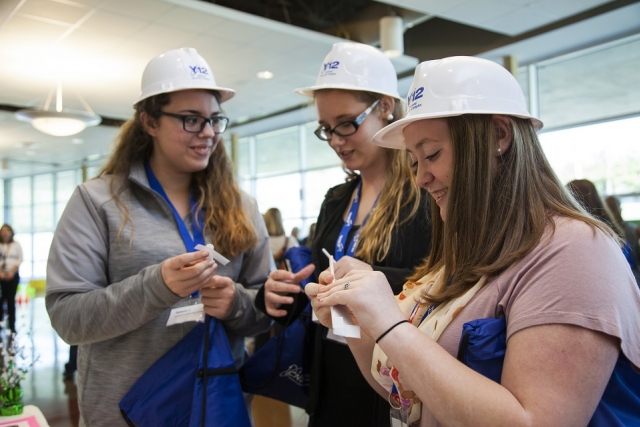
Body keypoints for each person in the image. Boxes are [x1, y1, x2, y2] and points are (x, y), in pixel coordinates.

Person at [307, 56, 640, 426]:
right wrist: (350, 318)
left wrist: (389, 323)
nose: (421, 179)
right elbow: (404, 389)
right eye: (415, 162)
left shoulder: (575, 252)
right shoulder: (468, 253)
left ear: (499, 135)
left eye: (432, 154)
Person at [46, 47, 272, 427]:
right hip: (125, 414)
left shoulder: (242, 208)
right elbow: (68, 318)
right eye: (190, 120)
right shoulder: (97, 201)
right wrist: (158, 286)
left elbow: (263, 313)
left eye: (214, 120)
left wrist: (235, 303)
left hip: (216, 407)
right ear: (149, 121)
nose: (207, 133)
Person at [256, 42, 432, 427]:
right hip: (330, 379)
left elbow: (442, 284)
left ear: (385, 106)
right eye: (326, 129)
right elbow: (324, 289)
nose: (336, 140)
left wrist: (371, 282)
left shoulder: (427, 194)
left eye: (347, 124)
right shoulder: (337, 200)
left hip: (392, 385)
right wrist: (283, 293)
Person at [605, 195, 640, 285]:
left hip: (616, 279)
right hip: (633, 278)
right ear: (620, 209)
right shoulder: (633, 230)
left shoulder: (603, 231)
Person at [0, 224, 22, 333]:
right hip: (0, 275)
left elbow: (20, 259)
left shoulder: (16, 245)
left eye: (7, 230)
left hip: (12, 275)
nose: (5, 233)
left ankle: (12, 326)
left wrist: (12, 272)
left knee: (10, 301)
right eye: (3, 230)